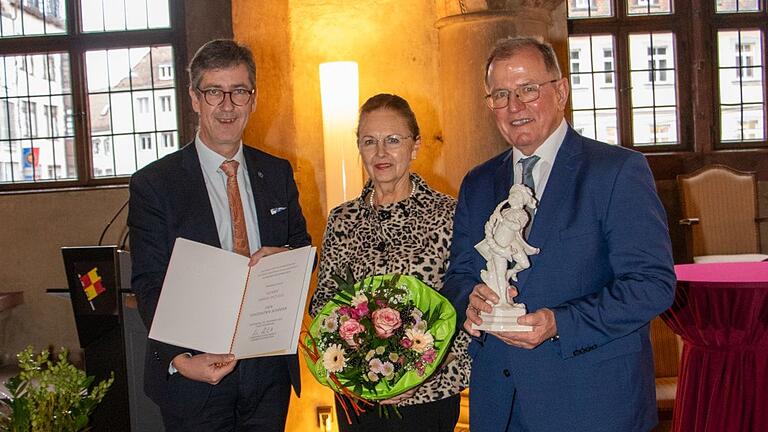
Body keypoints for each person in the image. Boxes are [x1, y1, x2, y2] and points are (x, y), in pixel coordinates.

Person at [441, 37, 676, 431]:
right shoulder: (478, 183)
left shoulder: (616, 172)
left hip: (593, 403)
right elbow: (459, 277)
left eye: (528, 89)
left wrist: (559, 322)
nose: (515, 106)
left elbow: (652, 285)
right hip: (501, 404)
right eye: (500, 94)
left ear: (561, 91)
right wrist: (471, 301)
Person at [128, 39, 311, 431]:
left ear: (253, 99)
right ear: (195, 98)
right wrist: (179, 358)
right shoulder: (154, 184)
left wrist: (285, 259)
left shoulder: (277, 173)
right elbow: (149, 283)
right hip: (195, 374)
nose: (227, 105)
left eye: (239, 91)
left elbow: (302, 248)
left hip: (267, 372)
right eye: (214, 92)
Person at [309, 93, 471, 432]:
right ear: (359, 148)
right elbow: (324, 304)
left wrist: (425, 370)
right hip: (358, 400)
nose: (380, 153)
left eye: (393, 140)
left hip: (428, 397)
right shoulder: (342, 220)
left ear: (415, 146)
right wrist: (352, 370)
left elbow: (469, 306)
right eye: (369, 141)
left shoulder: (448, 216)